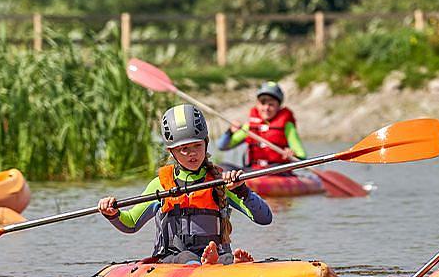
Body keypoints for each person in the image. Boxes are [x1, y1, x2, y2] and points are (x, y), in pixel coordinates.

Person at [98, 104, 272, 265]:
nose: (192, 154)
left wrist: (242, 190)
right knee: (187, 257)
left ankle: (226, 264)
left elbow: (264, 218)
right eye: (184, 149)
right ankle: (206, 265)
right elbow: (131, 224)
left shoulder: (220, 180)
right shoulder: (160, 184)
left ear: (206, 142)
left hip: (215, 253)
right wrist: (113, 214)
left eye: (197, 145)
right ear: (171, 151)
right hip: (173, 257)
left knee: (225, 257)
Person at [216, 82, 307, 168]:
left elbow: (302, 156)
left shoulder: (287, 126)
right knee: (223, 167)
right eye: (263, 103)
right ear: (257, 104)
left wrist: (293, 155)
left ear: (278, 106)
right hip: (254, 171)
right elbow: (222, 146)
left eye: (271, 104)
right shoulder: (249, 127)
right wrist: (230, 132)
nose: (266, 108)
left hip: (278, 172)